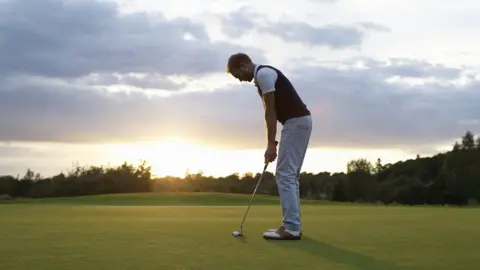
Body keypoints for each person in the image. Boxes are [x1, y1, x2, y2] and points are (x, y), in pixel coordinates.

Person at [226, 52, 312, 240]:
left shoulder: (263, 75)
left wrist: (271, 144)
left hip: (296, 122)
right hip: (298, 122)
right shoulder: (263, 76)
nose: (240, 80)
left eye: (237, 75)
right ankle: (292, 224)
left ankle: (291, 227)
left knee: (285, 175)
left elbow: (270, 113)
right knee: (289, 175)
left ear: (243, 66)